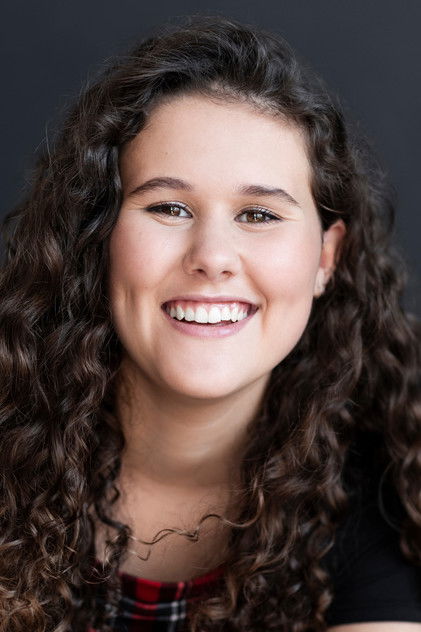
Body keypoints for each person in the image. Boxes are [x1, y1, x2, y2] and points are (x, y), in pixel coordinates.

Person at [0, 13, 420, 632]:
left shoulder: (392, 491)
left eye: (259, 215)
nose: (213, 257)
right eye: (169, 207)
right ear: (96, 235)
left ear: (326, 259)